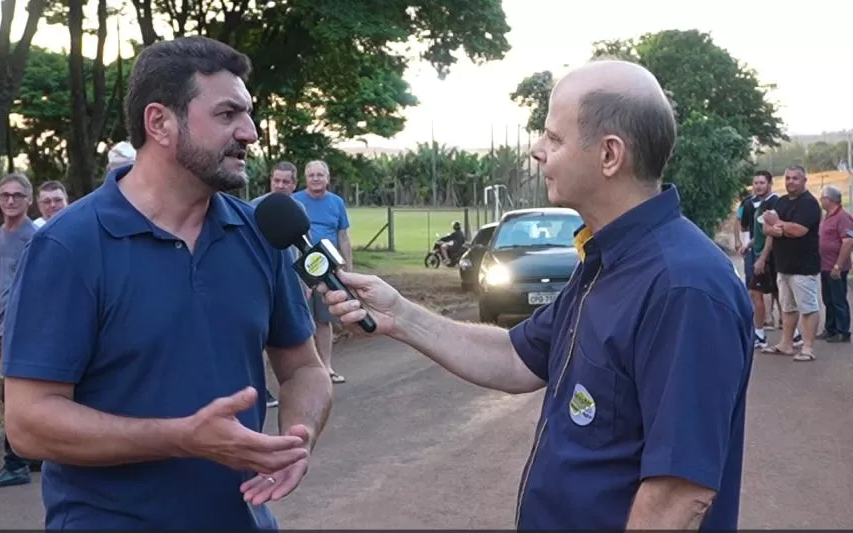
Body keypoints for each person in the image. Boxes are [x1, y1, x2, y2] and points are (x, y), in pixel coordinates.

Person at [317, 59, 754, 531]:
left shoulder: (683, 286)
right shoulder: (608, 259)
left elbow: (679, 494)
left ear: (610, 155)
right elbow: (516, 357)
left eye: (554, 137)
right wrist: (400, 315)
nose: (536, 150)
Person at [0, 36, 333, 530]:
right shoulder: (70, 247)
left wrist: (295, 439)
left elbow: (305, 368)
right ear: (160, 123)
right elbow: (29, 423)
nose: (251, 133)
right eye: (227, 115)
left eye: (248, 113)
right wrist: (180, 436)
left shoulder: (257, 236)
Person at [0, 174, 42, 489]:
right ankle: (33, 455)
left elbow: (34, 288)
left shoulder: (33, 236)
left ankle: (14, 462)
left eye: (17, 195)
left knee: (14, 393)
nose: (10, 200)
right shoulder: (4, 232)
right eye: (4, 195)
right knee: (17, 391)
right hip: (7, 323)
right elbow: (4, 284)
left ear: (29, 200)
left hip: (26, 326)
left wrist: (13, 323)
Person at [292, 160, 352, 384]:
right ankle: (306, 370)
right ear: (306, 178)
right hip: (301, 264)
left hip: (329, 266)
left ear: (327, 178)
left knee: (324, 319)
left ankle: (326, 367)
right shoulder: (296, 200)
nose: (316, 179)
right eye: (311, 175)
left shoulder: (336, 203)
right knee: (301, 319)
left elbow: (343, 237)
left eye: (320, 175)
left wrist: (347, 268)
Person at [251, 161, 303, 409]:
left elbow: (304, 249)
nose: (280, 185)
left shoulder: (299, 209)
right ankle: (259, 390)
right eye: (276, 180)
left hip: (289, 283)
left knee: (292, 339)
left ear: (294, 185)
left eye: (286, 182)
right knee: (259, 338)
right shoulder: (254, 209)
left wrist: (305, 282)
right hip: (261, 282)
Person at [760, 165, 821, 361]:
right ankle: (786, 344)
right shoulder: (782, 202)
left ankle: (808, 348)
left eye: (795, 178)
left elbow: (799, 230)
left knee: (808, 308)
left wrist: (777, 224)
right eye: (787, 178)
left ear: (804, 180)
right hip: (783, 265)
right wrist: (776, 227)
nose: (790, 182)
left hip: (804, 267)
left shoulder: (809, 204)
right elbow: (765, 228)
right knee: (787, 307)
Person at [740, 171, 781, 348]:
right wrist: (747, 245)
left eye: (762, 183)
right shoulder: (756, 204)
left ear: (770, 184)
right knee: (776, 293)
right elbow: (758, 234)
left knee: (757, 293)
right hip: (759, 253)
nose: (758, 186)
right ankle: (793, 334)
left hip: (768, 257)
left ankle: (759, 335)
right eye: (755, 183)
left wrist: (762, 258)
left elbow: (772, 235)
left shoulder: (774, 204)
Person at [817, 185, 852, 343]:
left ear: (830, 199)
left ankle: (843, 331)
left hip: (836, 267)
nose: (821, 200)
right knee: (828, 299)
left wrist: (838, 265)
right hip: (825, 266)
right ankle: (830, 328)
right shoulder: (827, 216)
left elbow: (847, 242)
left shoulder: (843, 217)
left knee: (838, 299)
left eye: (823, 197)